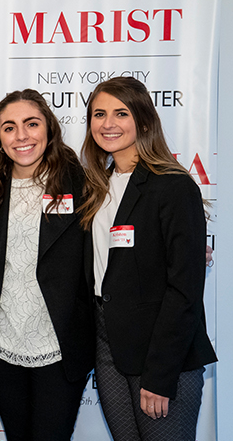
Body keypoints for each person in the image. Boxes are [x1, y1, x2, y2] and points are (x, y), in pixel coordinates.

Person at [79, 76, 217, 440]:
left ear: (142, 120)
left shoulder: (172, 185)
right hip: (109, 350)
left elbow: (184, 290)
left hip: (161, 354)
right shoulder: (96, 187)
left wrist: (160, 374)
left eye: (120, 113)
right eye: (98, 114)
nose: (108, 123)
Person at [0, 89, 94, 440]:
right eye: (9, 127)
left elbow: (114, 230)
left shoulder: (81, 183)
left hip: (60, 345)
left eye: (31, 124)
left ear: (49, 129)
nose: (22, 136)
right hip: (3, 343)